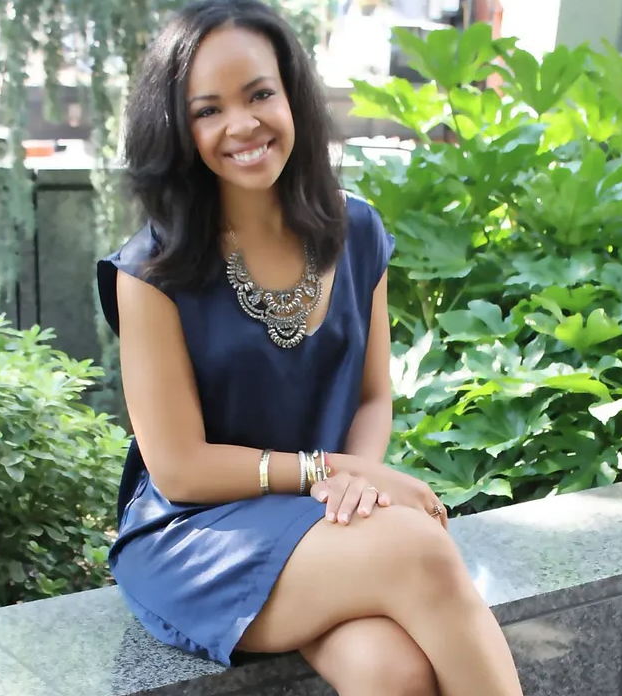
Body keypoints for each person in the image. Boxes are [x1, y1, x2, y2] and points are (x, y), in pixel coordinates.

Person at [96, 1, 524, 694]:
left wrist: (354, 476)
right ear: (177, 128)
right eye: (208, 110)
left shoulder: (356, 231)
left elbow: (374, 393)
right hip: (198, 535)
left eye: (260, 93)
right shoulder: (152, 269)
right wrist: (327, 470)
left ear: (293, 96)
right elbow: (178, 469)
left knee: (391, 671)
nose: (242, 124)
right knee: (420, 546)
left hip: (321, 516)